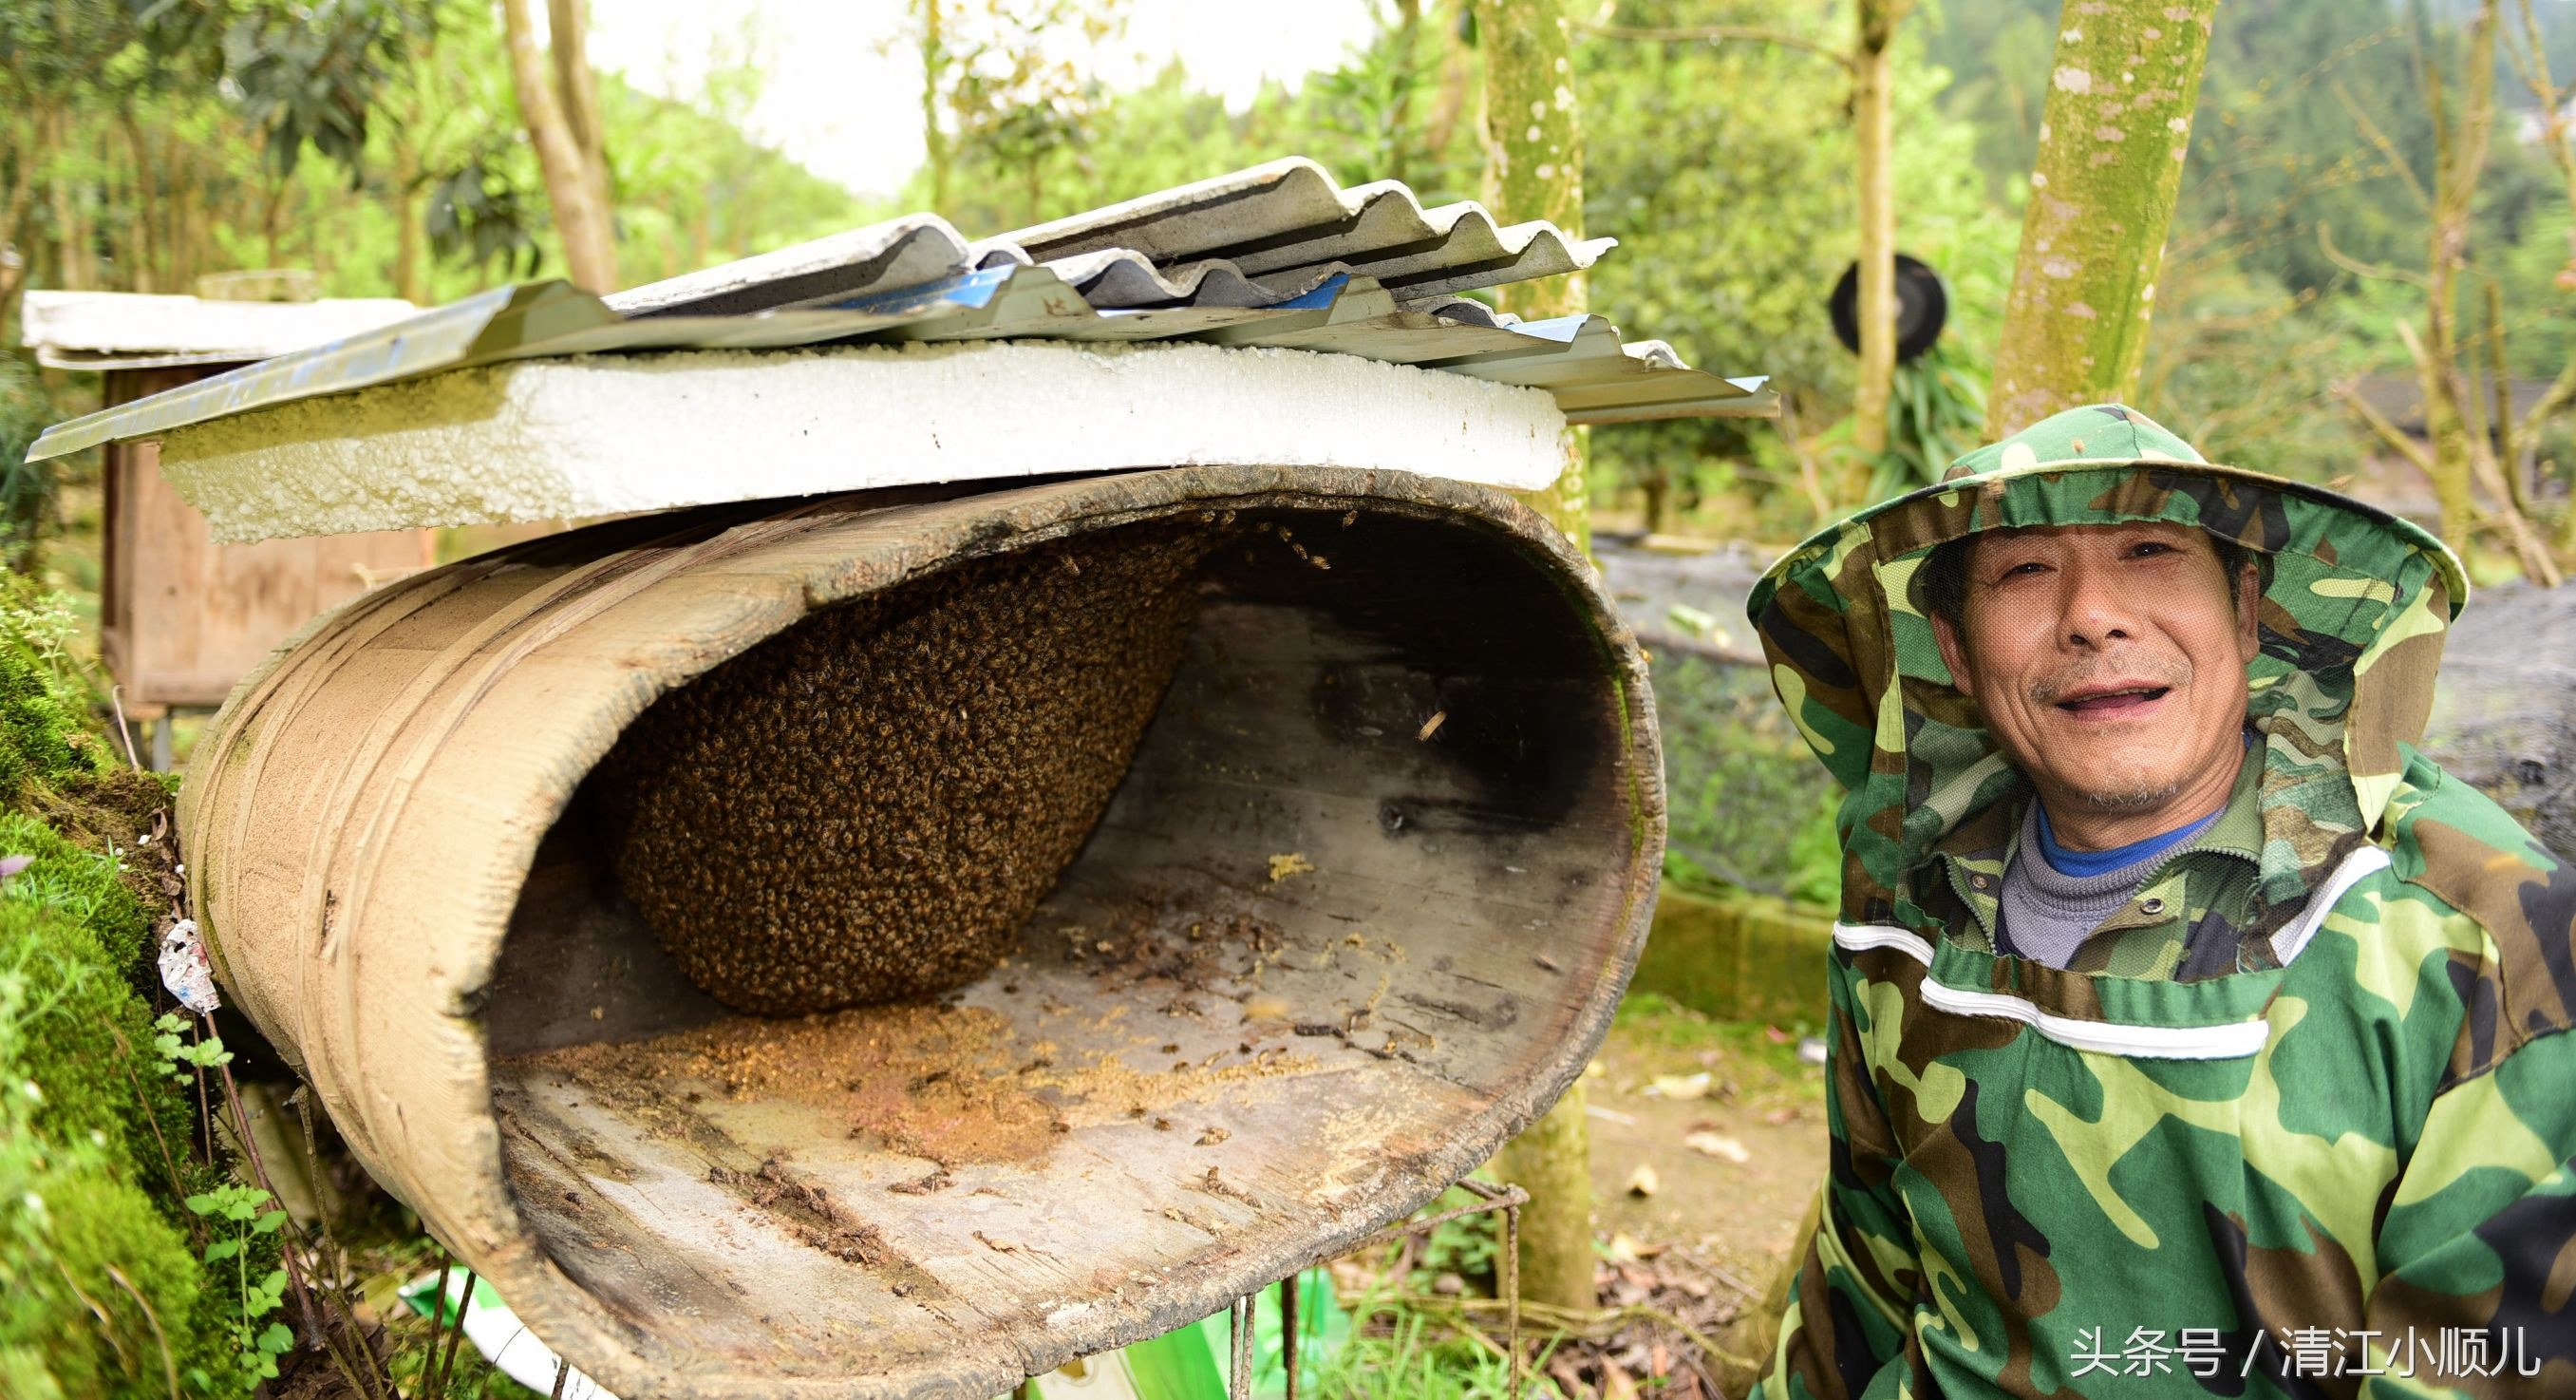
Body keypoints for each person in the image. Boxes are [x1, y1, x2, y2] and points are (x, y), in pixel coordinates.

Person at [1744, 404, 2576, 1398]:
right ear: (1954, 650)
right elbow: (1865, 1268)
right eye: (2022, 571)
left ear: (2245, 605)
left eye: (2148, 551)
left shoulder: (2475, 928)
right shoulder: (1912, 893)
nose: (2093, 615)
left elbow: (2492, 1363)